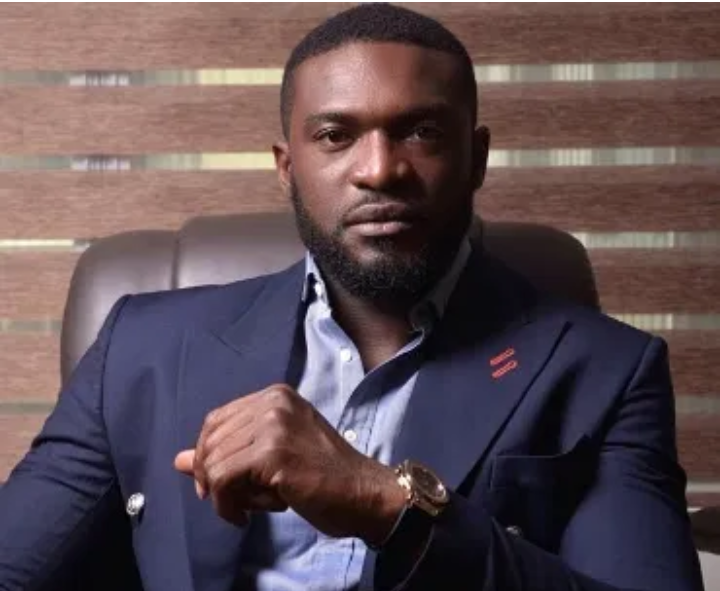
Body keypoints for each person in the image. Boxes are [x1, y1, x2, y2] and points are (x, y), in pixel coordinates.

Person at [0, 4, 705, 591]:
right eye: (336, 135)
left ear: (477, 158)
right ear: (287, 168)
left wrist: (383, 502)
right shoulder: (143, 346)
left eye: (422, 132)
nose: (379, 170)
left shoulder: (608, 371)